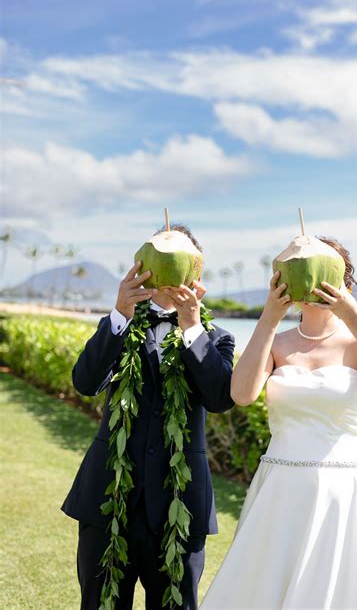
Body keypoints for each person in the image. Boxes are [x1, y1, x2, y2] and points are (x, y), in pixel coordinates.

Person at [200, 238, 357, 610]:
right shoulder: (277, 342)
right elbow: (242, 394)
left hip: (347, 493)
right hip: (282, 490)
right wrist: (270, 314)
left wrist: (353, 315)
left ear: (342, 280)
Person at [61, 224, 235, 610]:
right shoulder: (118, 326)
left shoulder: (217, 337)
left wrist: (192, 327)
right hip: (108, 496)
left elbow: (221, 398)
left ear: (195, 273)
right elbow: (85, 382)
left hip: (180, 505)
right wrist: (120, 313)